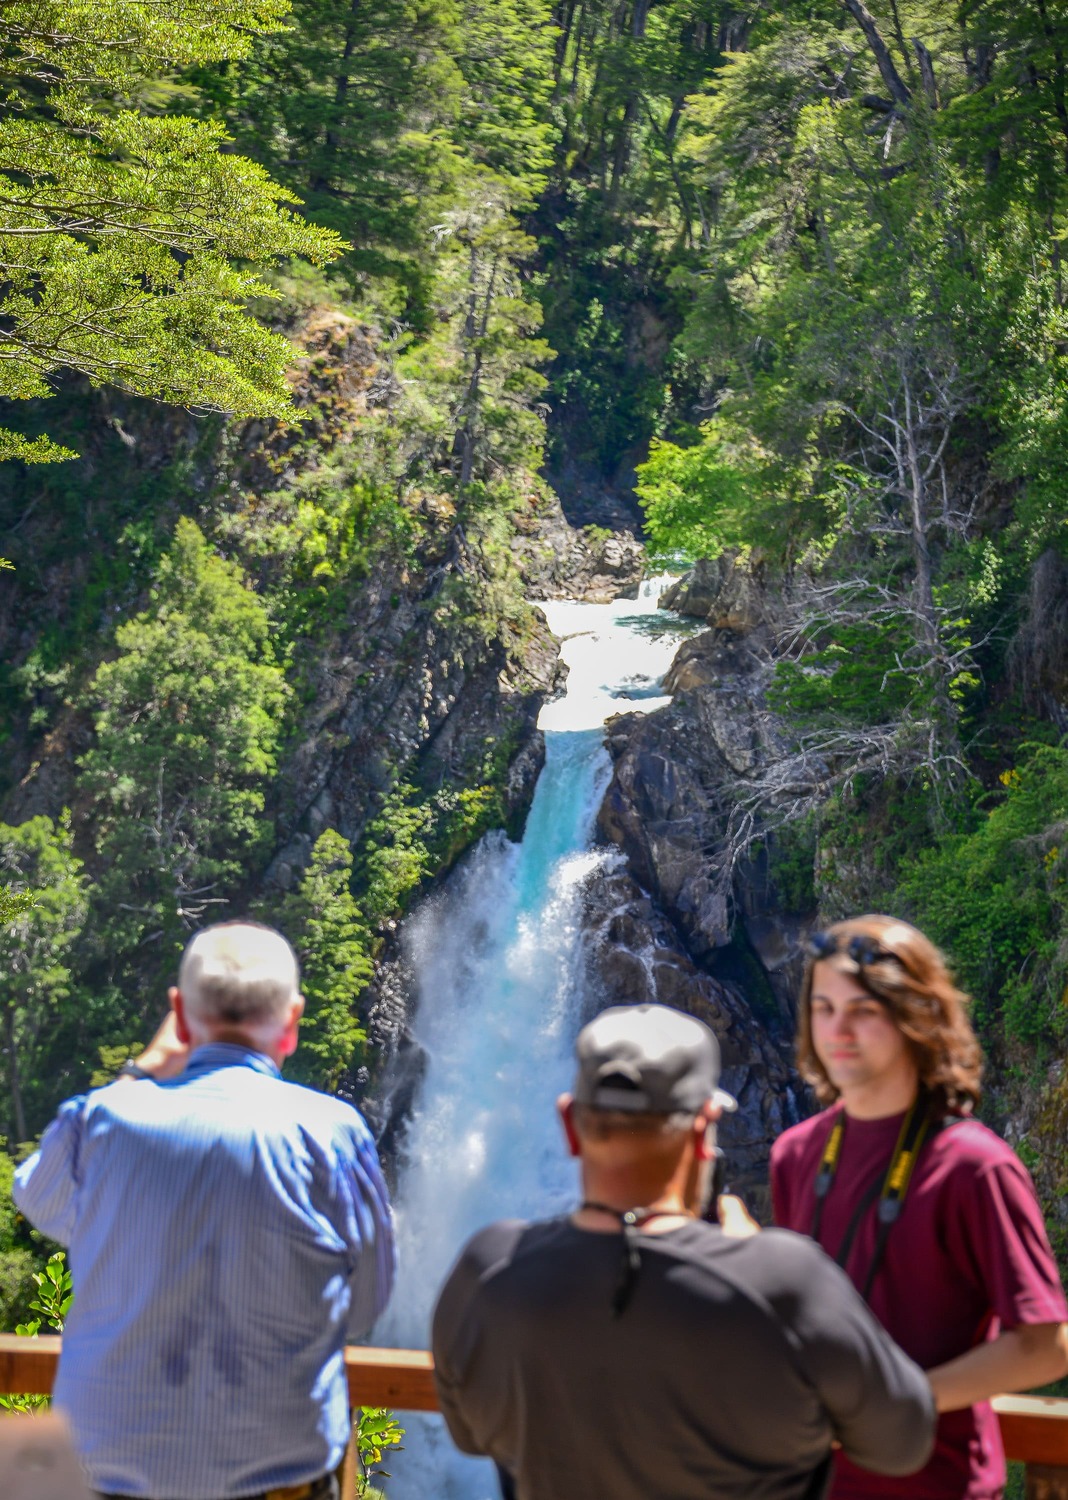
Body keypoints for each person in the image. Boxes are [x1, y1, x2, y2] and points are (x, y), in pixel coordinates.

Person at [432, 1002, 936, 1500]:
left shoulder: (490, 1268)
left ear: (569, 1125)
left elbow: (469, 1434)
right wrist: (753, 1259)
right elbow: (903, 1442)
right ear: (704, 1129)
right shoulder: (788, 1282)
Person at [13, 920, 395, 1500]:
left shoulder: (100, 1120)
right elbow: (366, 1301)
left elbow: (39, 1199)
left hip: (104, 1479)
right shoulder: (334, 1134)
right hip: (276, 1481)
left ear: (179, 1014)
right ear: (291, 1022)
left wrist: (139, 1072)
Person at [771, 914, 1068, 1500]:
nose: (839, 1030)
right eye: (824, 1009)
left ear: (917, 1015)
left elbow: (1045, 1344)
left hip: (936, 1483)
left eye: (864, 1010)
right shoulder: (795, 1155)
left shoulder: (973, 1167)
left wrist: (902, 1401)